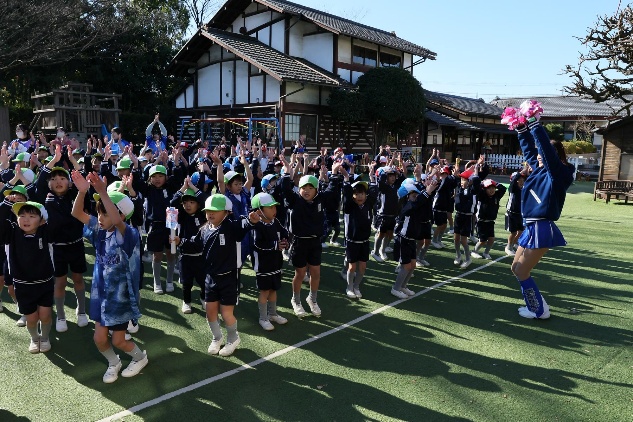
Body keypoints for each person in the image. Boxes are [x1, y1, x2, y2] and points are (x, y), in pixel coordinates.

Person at [70, 171, 147, 383]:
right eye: (99, 213)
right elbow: (77, 213)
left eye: (105, 213)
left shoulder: (129, 235)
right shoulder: (100, 231)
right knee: (99, 338)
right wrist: (82, 192)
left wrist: (104, 193)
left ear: (122, 215)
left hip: (120, 299)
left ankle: (140, 358)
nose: (100, 218)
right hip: (101, 296)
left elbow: (117, 222)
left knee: (119, 341)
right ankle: (114, 362)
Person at [501, 100, 575, 319]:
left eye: (543, 153)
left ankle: (539, 310)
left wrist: (534, 123)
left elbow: (547, 155)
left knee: (522, 270)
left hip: (542, 227)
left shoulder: (560, 174)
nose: (538, 157)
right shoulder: (540, 169)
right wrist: (521, 128)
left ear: (553, 155)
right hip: (531, 227)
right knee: (516, 268)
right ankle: (537, 305)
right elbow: (529, 151)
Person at [172, 194, 258, 356]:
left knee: (226, 313)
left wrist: (251, 221)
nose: (210, 214)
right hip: (210, 277)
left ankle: (233, 338)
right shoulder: (204, 229)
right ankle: (217, 337)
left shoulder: (230, 226)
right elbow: (195, 243)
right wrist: (180, 241)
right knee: (210, 311)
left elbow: (243, 225)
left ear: (226, 212)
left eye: (215, 211)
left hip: (228, 277)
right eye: (208, 211)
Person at [33, 145, 87, 333]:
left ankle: (82, 310)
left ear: (69, 182)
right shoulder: (44, 197)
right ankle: (61, 316)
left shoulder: (75, 194)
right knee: (60, 282)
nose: (58, 181)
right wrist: (54, 159)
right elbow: (40, 181)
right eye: (54, 179)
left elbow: (83, 181)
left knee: (78, 279)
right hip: (56, 248)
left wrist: (72, 160)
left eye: (62, 178)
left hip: (76, 245)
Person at [281, 154, 340, 318]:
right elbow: (286, 190)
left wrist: (334, 173)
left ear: (316, 190)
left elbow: (332, 190)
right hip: (299, 242)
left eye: (310, 188)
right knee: (300, 274)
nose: (306, 191)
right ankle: (296, 300)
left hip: (315, 242)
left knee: (316, 273)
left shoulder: (320, 199)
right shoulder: (295, 200)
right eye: (303, 188)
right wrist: (287, 172)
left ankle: (312, 299)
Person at [0, 198, 54, 353]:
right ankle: (34, 338)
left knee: (45, 316)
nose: (26, 220)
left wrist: (46, 219)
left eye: (32, 216)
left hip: (45, 283)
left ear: (41, 220)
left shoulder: (45, 231)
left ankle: (45, 337)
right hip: (22, 285)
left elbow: (55, 225)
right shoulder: (12, 232)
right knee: (31, 319)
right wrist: (6, 204)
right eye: (22, 215)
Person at [391, 176, 438, 299]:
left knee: (412, 265)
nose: (416, 197)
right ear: (406, 197)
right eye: (413, 195)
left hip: (411, 240)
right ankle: (395, 288)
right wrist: (427, 192)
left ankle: (403, 286)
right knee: (406, 266)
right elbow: (417, 203)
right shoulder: (406, 207)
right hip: (403, 240)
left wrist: (428, 190)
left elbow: (423, 203)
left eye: (416, 195)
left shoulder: (414, 206)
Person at [250, 192, 289, 330]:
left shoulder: (275, 221)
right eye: (270, 207)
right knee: (264, 291)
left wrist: (286, 240)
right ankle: (263, 318)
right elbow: (257, 244)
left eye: (274, 207)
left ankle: (272, 314)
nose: (274, 210)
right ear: (258, 211)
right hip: (263, 265)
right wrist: (275, 245)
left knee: (273, 289)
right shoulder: (256, 226)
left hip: (276, 262)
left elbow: (284, 232)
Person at [170, 179, 208, 314]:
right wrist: (183, 188)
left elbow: (206, 200)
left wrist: (192, 187)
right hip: (185, 256)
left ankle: (204, 298)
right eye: (185, 202)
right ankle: (186, 302)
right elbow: (172, 204)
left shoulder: (203, 215)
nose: (188, 205)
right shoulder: (181, 216)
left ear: (198, 204)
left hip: (201, 256)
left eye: (192, 202)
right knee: (186, 283)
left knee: (203, 281)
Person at [342, 165, 378, 299]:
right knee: (352, 267)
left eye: (362, 193)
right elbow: (346, 194)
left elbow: (374, 192)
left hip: (364, 241)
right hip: (352, 241)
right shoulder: (350, 207)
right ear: (353, 196)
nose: (359, 196)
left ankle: (356, 286)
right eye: (356, 194)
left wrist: (372, 176)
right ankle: (349, 287)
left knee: (362, 267)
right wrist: (346, 178)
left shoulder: (368, 204)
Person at [452, 162, 481, 269]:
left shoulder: (473, 190)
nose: (462, 182)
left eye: (464, 180)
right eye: (461, 180)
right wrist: (456, 174)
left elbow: (477, 182)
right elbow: (454, 181)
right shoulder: (459, 189)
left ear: (470, 181)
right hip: (458, 215)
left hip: (467, 217)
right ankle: (458, 255)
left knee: (463, 240)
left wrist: (475, 172)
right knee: (456, 238)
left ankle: (468, 258)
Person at [471, 178, 507, 260]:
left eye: (493, 188)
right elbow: (476, 188)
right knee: (482, 240)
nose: (491, 190)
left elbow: (503, 188)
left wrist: (495, 182)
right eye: (489, 188)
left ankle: (486, 253)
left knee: (491, 239)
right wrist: (482, 183)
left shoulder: (496, 196)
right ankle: (474, 251)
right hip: (481, 222)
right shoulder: (482, 196)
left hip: (490, 222)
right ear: (484, 189)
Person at [505, 167, 529, 256]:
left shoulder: (523, 189)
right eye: (519, 180)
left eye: (522, 180)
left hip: (520, 213)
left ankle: (514, 243)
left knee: (521, 231)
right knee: (513, 232)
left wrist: (527, 172)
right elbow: (514, 180)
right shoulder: (513, 189)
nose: (521, 182)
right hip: (511, 213)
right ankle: (508, 247)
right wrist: (522, 171)